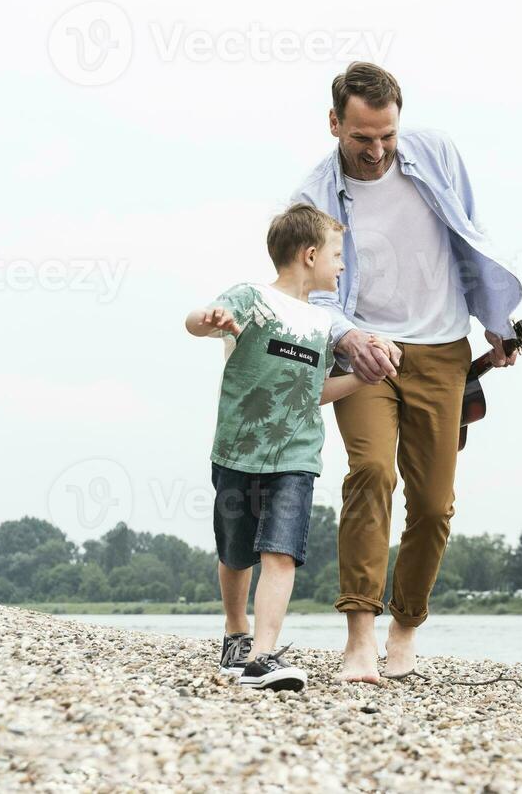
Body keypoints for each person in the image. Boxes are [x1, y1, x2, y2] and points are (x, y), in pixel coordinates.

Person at [291, 62, 522, 683]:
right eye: (361, 138)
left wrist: (497, 324)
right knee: (371, 471)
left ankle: (405, 629)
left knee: (433, 504)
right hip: (365, 352)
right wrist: (350, 336)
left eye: (386, 136)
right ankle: (359, 639)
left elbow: (470, 238)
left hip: (443, 349)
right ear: (335, 122)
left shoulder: (436, 153)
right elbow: (313, 293)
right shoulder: (313, 198)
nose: (376, 151)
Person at [184, 202, 369, 691]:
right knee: (236, 551)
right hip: (237, 452)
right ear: (309, 255)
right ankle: (236, 632)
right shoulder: (251, 297)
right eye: (336, 254)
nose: (342, 264)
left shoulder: (322, 325)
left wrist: (361, 378)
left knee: (281, 552)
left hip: (296, 458)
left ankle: (262, 658)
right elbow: (193, 323)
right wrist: (211, 318)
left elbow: (316, 391)